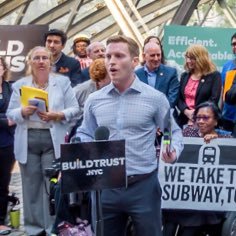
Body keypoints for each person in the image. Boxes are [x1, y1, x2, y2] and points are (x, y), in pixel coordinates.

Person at [76, 35, 183, 236]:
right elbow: (85, 132)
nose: (111, 61)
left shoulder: (155, 99)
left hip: (143, 185)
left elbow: (173, 131)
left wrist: (173, 151)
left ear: (135, 61)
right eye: (108, 56)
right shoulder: (94, 100)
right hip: (105, 187)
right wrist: (81, 150)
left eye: (119, 56)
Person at [7, 46, 79, 235]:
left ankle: (52, 227)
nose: (40, 61)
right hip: (28, 138)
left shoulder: (62, 83)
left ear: (50, 62)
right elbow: (10, 113)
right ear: (30, 61)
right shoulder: (20, 85)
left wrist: (58, 114)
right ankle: (34, 229)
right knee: (31, 187)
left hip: (52, 138)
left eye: (44, 58)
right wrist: (22, 111)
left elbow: (75, 109)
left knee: (51, 187)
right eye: (36, 58)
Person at [163, 101, 231, 236]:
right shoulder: (186, 133)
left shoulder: (226, 139)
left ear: (216, 121)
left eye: (205, 118)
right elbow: (168, 139)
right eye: (198, 117)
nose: (200, 121)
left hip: (205, 203)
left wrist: (216, 141)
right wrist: (165, 137)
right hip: (181, 197)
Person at [177, 44, 222, 128]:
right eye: (187, 57)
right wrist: (186, 111)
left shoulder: (214, 76)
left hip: (205, 121)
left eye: (191, 58)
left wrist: (196, 114)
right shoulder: (185, 76)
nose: (188, 61)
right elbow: (179, 98)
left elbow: (213, 99)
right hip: (184, 120)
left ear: (200, 58)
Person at [135, 42, 180, 109]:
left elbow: (172, 100)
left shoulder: (171, 73)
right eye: (152, 55)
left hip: (166, 116)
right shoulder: (136, 75)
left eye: (158, 55)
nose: (156, 59)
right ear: (144, 56)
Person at [0, 57, 15, 235]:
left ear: (4, 69)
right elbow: (10, 117)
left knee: (3, 183)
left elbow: (18, 110)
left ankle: (1, 221)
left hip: (7, 143)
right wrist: (6, 121)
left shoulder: (11, 88)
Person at [221, 33, 236, 132]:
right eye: (233, 44)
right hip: (227, 118)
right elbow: (223, 91)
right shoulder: (227, 66)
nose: (235, 47)